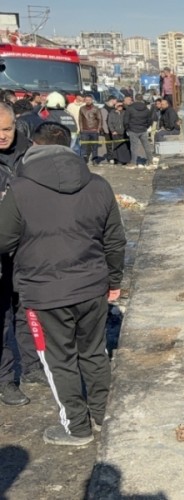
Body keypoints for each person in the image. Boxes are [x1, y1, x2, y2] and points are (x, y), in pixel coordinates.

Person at [0, 121, 126, 446]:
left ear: (34, 146)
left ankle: (77, 428)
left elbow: (3, 240)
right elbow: (114, 240)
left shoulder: (20, 189)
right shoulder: (98, 184)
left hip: (44, 293)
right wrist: (114, 279)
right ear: (70, 145)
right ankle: (102, 416)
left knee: (59, 360)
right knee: (95, 352)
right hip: (93, 286)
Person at [0, 103, 44, 408]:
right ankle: (5, 380)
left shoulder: (30, 152)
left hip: (27, 247)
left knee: (27, 309)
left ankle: (32, 366)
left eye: (7, 129)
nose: (2, 135)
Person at [123, 94, 153, 167]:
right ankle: (150, 161)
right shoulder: (146, 109)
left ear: (134, 99)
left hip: (133, 129)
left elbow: (125, 120)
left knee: (134, 147)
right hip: (143, 129)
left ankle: (133, 162)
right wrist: (146, 126)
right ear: (142, 99)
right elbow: (150, 120)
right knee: (146, 146)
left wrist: (127, 128)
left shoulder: (130, 108)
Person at [78, 94, 103, 165]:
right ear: (84, 101)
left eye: (89, 100)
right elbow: (80, 119)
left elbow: (100, 119)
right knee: (84, 146)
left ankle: (94, 160)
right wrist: (81, 129)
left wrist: (98, 129)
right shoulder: (82, 108)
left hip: (94, 130)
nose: (88, 101)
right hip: (85, 131)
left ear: (92, 100)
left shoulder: (96, 109)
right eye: (86, 100)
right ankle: (83, 160)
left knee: (94, 147)